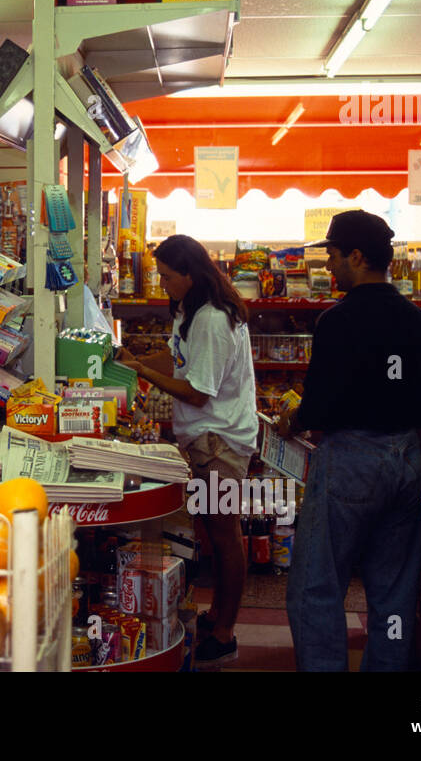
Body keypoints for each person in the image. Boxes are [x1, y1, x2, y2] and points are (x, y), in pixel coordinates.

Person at [277, 209, 421, 671]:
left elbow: (320, 408)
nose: (328, 266)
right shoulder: (419, 321)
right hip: (406, 457)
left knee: (316, 588)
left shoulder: (337, 321)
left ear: (358, 256)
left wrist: (292, 419)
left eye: (332, 255)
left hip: (350, 461)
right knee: (393, 592)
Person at [118, 234, 258, 669]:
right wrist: (135, 356)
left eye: (166, 277)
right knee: (215, 535)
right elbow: (179, 360)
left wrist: (141, 370)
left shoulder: (214, 319)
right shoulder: (191, 311)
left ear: (190, 275)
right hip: (203, 443)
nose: (162, 285)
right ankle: (217, 616)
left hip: (221, 447)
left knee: (225, 536)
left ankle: (226, 633)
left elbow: (197, 391)